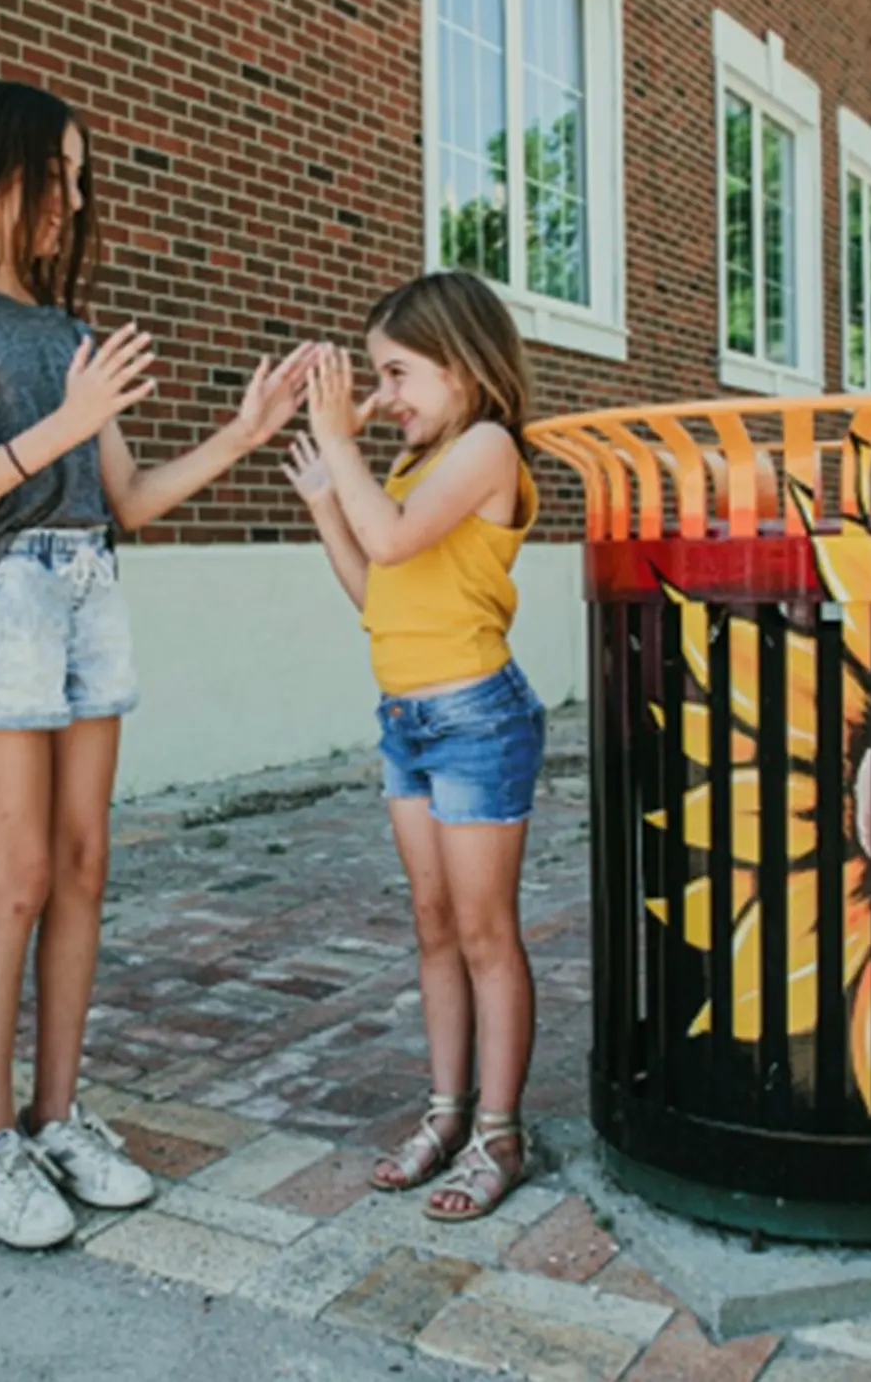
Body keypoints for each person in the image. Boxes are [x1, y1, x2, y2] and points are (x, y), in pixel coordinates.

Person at [0, 80, 310, 1249]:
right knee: (17, 868)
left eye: (83, 179)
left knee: (84, 861)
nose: (73, 202)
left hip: (87, 586)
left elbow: (124, 498)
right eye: (55, 175)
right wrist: (57, 430)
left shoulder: (75, 336)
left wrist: (241, 434)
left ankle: (58, 1113)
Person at [282, 270, 546, 1221]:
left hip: (477, 718)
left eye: (397, 373)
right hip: (407, 722)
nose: (383, 396)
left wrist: (347, 447)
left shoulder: (486, 447)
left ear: (463, 365)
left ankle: (501, 1131)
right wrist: (326, 496)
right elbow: (376, 591)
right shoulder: (411, 469)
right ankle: (446, 1111)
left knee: (483, 931)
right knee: (434, 924)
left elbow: (391, 543)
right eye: (376, 378)